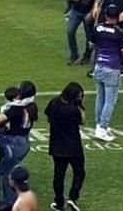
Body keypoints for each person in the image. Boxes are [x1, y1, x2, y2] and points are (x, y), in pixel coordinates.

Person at [91, 4, 123, 141]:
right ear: (117, 16)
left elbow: (92, 44)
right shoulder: (119, 32)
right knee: (110, 101)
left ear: (106, 15)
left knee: (100, 97)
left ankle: (99, 125)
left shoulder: (98, 28)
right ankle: (102, 128)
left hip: (99, 65)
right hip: (112, 67)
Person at [45, 82, 86, 211]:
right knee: (79, 172)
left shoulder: (54, 102)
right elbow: (83, 121)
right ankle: (73, 197)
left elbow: (48, 117)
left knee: (58, 176)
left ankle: (58, 202)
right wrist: (80, 107)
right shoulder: (73, 110)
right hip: (73, 147)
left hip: (57, 146)